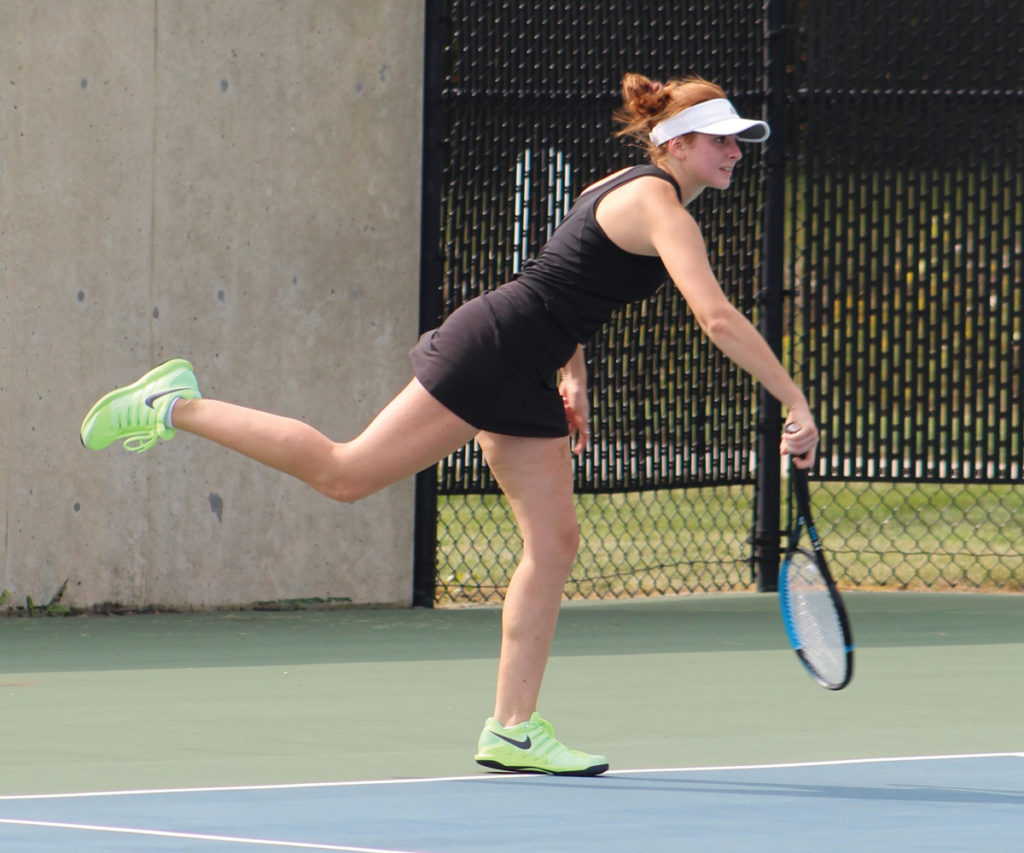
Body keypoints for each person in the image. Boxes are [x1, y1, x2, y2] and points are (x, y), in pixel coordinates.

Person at [80, 72, 819, 777]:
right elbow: (715, 318)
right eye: (720, 139)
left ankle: (513, 727)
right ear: (676, 144)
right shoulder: (663, 206)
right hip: (491, 350)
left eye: (738, 140)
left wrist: (570, 373)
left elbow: (571, 281)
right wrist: (794, 400)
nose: (734, 152)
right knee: (346, 473)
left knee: (555, 542)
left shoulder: (627, 189)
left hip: (527, 362)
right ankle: (175, 404)